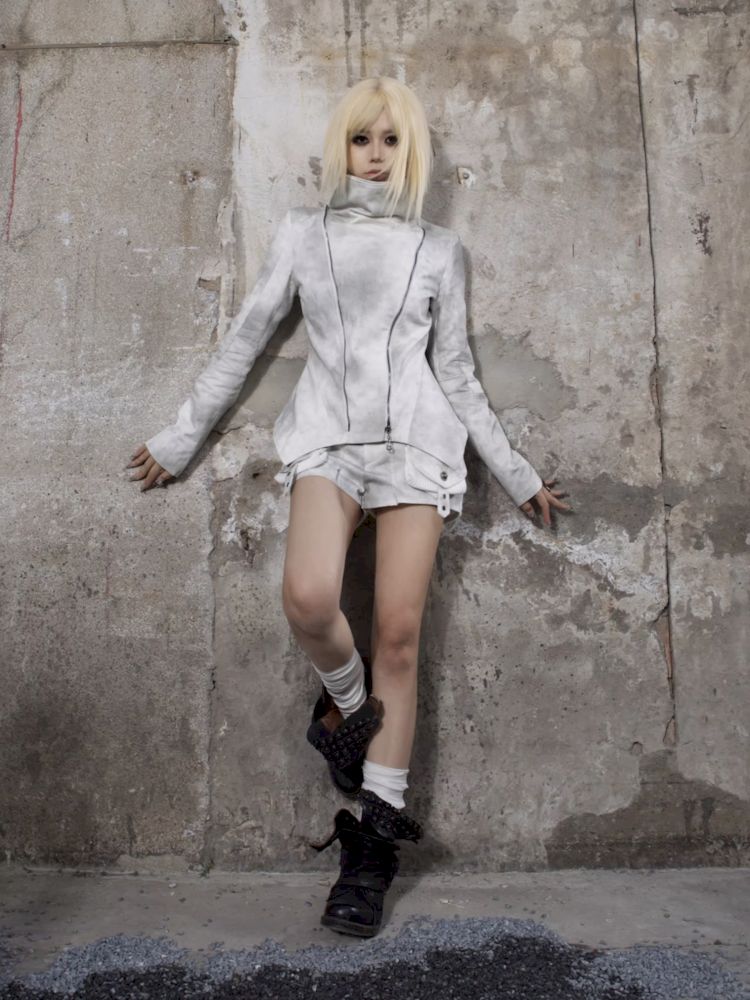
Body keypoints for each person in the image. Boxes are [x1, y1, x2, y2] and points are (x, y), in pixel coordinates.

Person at [127, 76, 570, 938]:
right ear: (341, 148)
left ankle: (371, 848)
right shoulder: (304, 234)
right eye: (361, 139)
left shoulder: (439, 250)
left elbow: (457, 374)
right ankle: (350, 706)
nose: (375, 155)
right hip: (329, 442)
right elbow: (246, 339)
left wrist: (517, 474)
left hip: (418, 450)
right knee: (308, 598)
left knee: (399, 636)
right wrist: (180, 437)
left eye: (391, 140)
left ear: (413, 152)